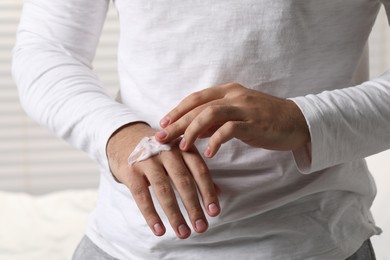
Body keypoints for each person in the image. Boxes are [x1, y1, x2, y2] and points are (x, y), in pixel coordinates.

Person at [12, 0, 390, 259]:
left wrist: (304, 119)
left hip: (314, 242)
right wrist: (116, 133)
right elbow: (47, 47)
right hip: (128, 243)